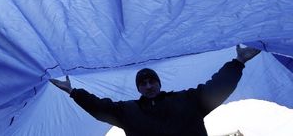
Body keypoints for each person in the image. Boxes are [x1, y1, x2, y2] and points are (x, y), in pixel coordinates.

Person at [50, 45, 261, 136]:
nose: (148, 86)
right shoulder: (128, 112)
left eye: (152, 81)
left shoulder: (187, 100)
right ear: (139, 88)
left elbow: (217, 87)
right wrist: (73, 92)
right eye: (143, 83)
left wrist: (238, 62)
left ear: (159, 83)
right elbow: (99, 107)